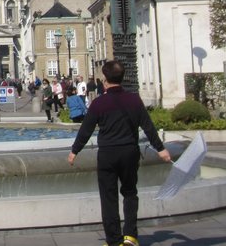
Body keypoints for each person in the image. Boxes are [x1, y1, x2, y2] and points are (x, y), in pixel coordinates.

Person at [68, 60, 172, 246]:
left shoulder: (99, 103)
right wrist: (160, 148)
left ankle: (114, 240)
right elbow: (148, 126)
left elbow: (86, 130)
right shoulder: (134, 100)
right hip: (129, 152)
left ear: (105, 79)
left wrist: (75, 151)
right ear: (122, 78)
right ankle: (130, 236)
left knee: (109, 197)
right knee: (130, 192)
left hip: (108, 154)